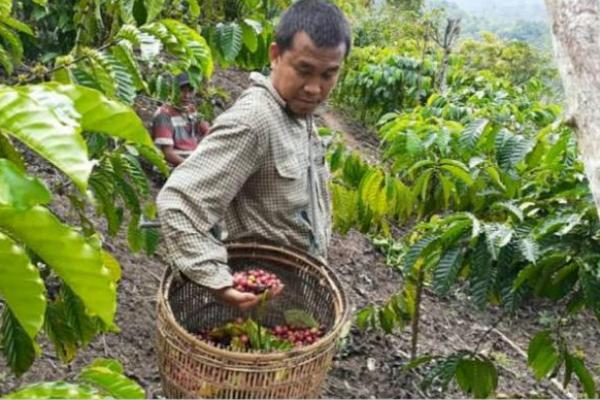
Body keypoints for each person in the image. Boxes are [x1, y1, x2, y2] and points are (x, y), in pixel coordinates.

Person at [156, 0, 351, 310]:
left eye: (328, 75)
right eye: (304, 70)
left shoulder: (300, 115)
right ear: (275, 56)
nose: (314, 88)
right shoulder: (255, 121)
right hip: (256, 304)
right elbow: (178, 203)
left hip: (293, 296)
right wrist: (218, 281)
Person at [152, 72, 210, 166]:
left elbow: (210, 134)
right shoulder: (164, 114)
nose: (187, 96)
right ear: (172, 91)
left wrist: (198, 118)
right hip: (176, 166)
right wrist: (194, 167)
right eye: (182, 90)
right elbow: (168, 154)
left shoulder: (191, 111)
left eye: (190, 91)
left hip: (192, 160)